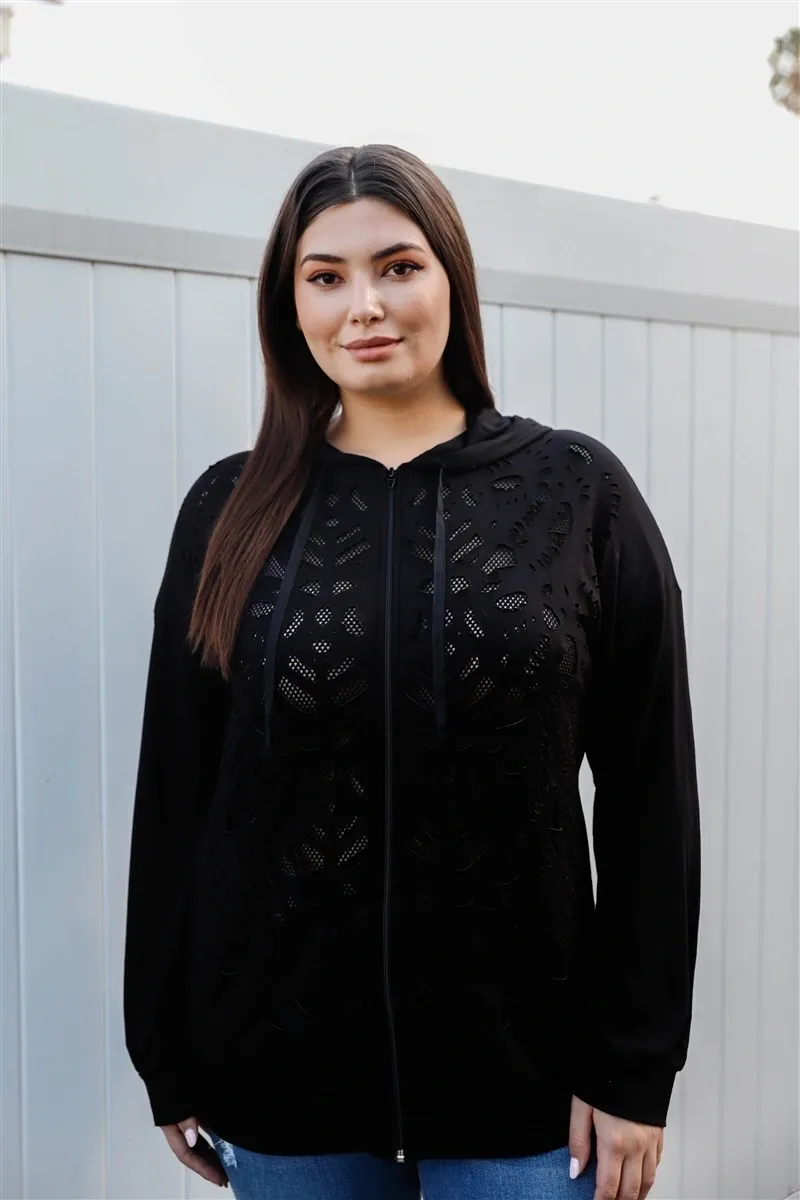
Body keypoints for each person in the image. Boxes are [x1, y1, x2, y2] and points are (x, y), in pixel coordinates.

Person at [123, 144, 701, 1200]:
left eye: (397, 266)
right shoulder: (228, 509)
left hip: (528, 1094)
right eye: (325, 276)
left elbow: (649, 800)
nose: (363, 307)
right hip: (280, 1080)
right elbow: (178, 796)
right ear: (288, 302)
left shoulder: (576, 494)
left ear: (450, 281)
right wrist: (164, 1049)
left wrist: (632, 1067)